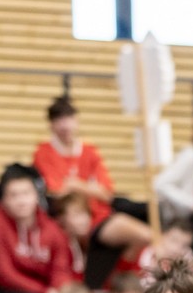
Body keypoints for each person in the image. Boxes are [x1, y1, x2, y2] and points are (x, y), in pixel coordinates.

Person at [33, 98, 153, 254]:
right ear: (51, 125)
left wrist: (76, 184)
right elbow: (57, 192)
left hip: (99, 216)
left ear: (76, 121)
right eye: (59, 120)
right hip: (67, 219)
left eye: (68, 119)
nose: (65, 125)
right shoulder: (43, 153)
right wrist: (89, 187)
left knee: (148, 232)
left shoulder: (89, 151)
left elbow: (106, 193)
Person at [0, 168, 74, 293]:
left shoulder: (52, 229)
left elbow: (61, 268)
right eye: (14, 195)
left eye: (26, 193)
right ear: (3, 200)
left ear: (36, 196)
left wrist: (60, 291)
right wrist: (44, 292)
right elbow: (3, 275)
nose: (21, 201)